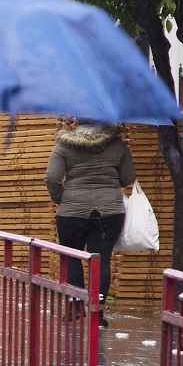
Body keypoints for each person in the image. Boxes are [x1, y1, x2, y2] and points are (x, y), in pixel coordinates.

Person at [45, 122, 136, 323]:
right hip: (109, 211)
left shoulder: (64, 146)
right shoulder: (117, 145)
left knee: (72, 257)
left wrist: (62, 198)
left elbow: (52, 178)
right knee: (102, 260)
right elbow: (128, 177)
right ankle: (98, 309)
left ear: (78, 121)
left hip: (72, 212)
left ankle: (76, 306)